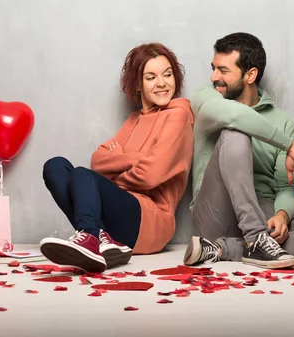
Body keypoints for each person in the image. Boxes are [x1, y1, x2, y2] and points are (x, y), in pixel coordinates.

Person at [183, 32, 294, 269]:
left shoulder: (283, 122)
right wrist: (287, 144)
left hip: (263, 215)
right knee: (235, 132)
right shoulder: (206, 99)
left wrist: (282, 216)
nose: (214, 77)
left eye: (223, 71)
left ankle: (223, 249)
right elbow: (235, 116)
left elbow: (287, 185)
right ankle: (254, 238)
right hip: (216, 215)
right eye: (213, 68)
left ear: (251, 75)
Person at [40, 43, 194, 272]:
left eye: (167, 75)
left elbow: (150, 176)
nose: (162, 83)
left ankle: (89, 235)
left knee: (83, 175)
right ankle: (100, 237)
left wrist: (115, 170)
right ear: (138, 85)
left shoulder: (179, 116)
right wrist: (138, 157)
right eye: (151, 77)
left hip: (151, 219)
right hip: (123, 213)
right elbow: (98, 160)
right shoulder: (133, 120)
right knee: (55, 166)